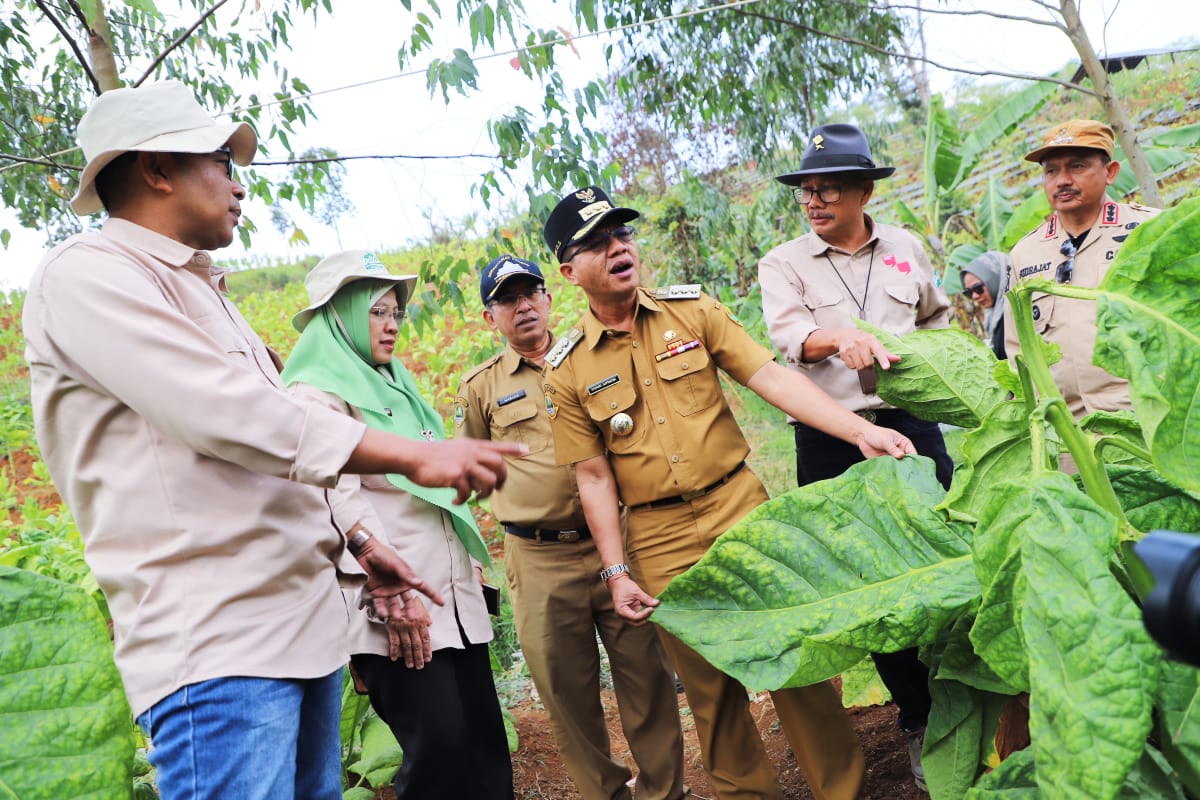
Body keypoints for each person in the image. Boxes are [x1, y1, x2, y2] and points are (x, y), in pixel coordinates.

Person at [22, 81, 522, 800]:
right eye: (223, 160)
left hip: (297, 632)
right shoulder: (90, 276)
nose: (239, 185)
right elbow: (233, 417)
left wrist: (362, 545)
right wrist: (415, 455)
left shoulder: (204, 292)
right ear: (157, 169)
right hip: (219, 648)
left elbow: (280, 458)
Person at [540, 185, 919, 800]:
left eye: (623, 235)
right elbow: (592, 475)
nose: (618, 249)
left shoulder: (693, 311)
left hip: (739, 507)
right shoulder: (568, 368)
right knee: (712, 690)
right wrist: (615, 571)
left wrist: (859, 431)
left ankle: (843, 791)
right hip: (659, 537)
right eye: (597, 243)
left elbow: (770, 375)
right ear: (569, 270)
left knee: (795, 657)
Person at [757, 122, 954, 792]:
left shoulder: (905, 248)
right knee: (870, 581)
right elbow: (789, 337)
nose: (814, 201)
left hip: (913, 428)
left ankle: (967, 701)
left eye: (829, 189)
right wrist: (834, 337)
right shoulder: (783, 263)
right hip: (833, 439)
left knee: (944, 558)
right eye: (807, 191)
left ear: (865, 191)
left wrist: (933, 363)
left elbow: (936, 320)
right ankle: (920, 718)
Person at [282, 250, 514, 799]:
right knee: (439, 750)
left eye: (395, 313)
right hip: (395, 604)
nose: (391, 326)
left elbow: (426, 491)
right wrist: (384, 590)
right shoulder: (316, 397)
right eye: (376, 312)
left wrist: (468, 564)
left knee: (483, 746)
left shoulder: (392, 385)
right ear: (338, 316)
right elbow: (335, 499)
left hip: (447, 595)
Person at [454, 254, 687, 800]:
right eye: (508, 300)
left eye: (531, 292)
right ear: (492, 318)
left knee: (647, 677)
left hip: (618, 543)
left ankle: (665, 792)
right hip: (537, 558)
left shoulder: (595, 357)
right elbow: (473, 467)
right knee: (564, 690)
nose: (523, 306)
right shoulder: (481, 389)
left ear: (549, 297)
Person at [1004, 119, 1159, 419]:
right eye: (1051, 171)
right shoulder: (1025, 253)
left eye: (1076, 166)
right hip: (1067, 432)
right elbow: (1017, 350)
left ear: (1110, 172)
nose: (1062, 180)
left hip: (1145, 417)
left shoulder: (1148, 231)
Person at [961, 250, 1008, 359]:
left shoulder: (1014, 314)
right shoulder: (994, 317)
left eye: (978, 288)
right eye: (968, 292)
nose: (974, 296)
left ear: (994, 279)